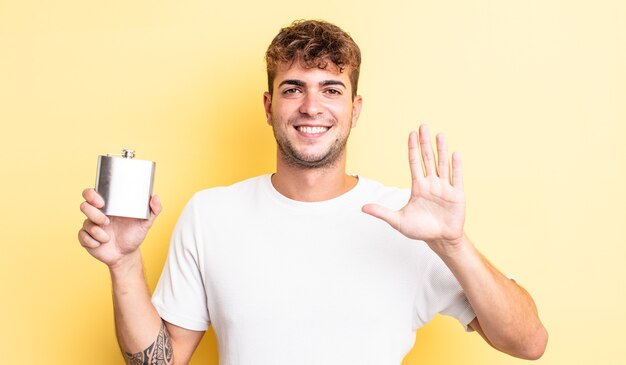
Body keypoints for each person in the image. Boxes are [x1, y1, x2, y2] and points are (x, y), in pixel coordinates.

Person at [78, 19, 547, 365]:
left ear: (355, 108)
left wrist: (452, 244)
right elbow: (161, 363)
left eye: (331, 89)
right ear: (268, 106)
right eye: (292, 89)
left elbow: (528, 343)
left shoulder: (408, 221)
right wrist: (123, 264)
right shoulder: (211, 214)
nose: (311, 107)